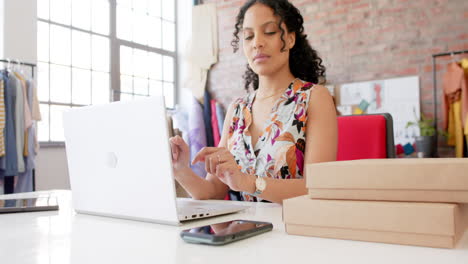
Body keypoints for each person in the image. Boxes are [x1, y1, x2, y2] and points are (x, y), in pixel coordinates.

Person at [170, 0, 337, 204]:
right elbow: (212, 191)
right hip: (251, 230)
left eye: (269, 32)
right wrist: (180, 169)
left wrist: (247, 182)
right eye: (249, 36)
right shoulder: (238, 109)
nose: (257, 42)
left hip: (296, 230)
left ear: (291, 39)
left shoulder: (314, 97)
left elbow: (317, 187)